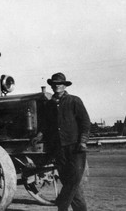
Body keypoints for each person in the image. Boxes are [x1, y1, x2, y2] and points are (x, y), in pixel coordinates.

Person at [31, 72, 90, 211]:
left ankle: (61, 207)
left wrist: (83, 142)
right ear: (52, 86)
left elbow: (85, 122)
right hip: (58, 149)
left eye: (60, 84)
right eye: (55, 84)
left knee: (74, 180)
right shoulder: (49, 105)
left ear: (64, 85)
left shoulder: (74, 101)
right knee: (71, 184)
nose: (57, 86)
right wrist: (39, 135)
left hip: (75, 148)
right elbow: (46, 125)